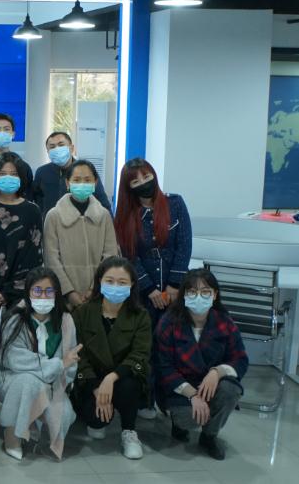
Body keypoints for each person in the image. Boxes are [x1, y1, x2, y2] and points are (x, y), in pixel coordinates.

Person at [114, 158, 193, 419]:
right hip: (143, 295)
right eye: (135, 181)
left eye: (146, 176)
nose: (143, 183)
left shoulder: (175, 203)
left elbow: (184, 246)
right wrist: (150, 289)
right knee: (144, 348)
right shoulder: (125, 215)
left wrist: (173, 286)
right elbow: (130, 255)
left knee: (173, 347)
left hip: (174, 292)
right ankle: (145, 399)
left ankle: (172, 398)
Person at [0, 268, 81, 461]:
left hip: (51, 383)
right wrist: (57, 365)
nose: (43, 296)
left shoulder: (66, 321)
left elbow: (70, 364)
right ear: (28, 293)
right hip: (7, 377)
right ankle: (12, 434)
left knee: (64, 414)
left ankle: (32, 423)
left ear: (56, 294)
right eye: (37, 291)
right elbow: (14, 360)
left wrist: (58, 372)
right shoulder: (16, 317)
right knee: (28, 382)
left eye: (49, 291)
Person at [155, 269, 248, 460]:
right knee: (189, 419)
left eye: (205, 292)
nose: (199, 297)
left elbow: (240, 359)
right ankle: (178, 423)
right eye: (192, 292)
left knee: (231, 390)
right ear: (183, 295)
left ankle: (209, 436)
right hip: (179, 388)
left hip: (211, 385)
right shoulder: (168, 323)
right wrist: (193, 395)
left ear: (215, 295)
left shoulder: (224, 322)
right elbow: (163, 367)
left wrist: (217, 372)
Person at [71, 257, 151, 460]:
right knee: (97, 420)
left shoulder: (140, 315)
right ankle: (98, 415)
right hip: (91, 380)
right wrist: (96, 387)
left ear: (132, 284)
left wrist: (111, 378)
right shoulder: (82, 313)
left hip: (122, 377)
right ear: (99, 281)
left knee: (131, 384)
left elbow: (139, 355)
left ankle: (129, 431)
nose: (115, 286)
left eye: (122, 282)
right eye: (109, 281)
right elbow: (78, 355)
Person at [0, 153, 44, 375]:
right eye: (3, 173)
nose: (8, 178)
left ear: (22, 178)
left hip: (18, 291)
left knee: (16, 348)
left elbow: (33, 254)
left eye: (13, 174)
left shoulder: (32, 210)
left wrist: (8, 291)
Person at [43, 160, 120, 308]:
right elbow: (51, 258)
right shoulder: (54, 216)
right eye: (77, 180)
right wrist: (69, 292)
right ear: (67, 183)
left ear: (95, 183)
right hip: (64, 298)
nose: (82, 184)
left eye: (87, 180)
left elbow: (110, 255)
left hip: (98, 295)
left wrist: (94, 288)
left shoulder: (104, 215)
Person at [32, 131, 111, 216]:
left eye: (61, 145)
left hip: (80, 222)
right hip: (51, 222)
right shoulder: (42, 172)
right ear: (48, 152)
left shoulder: (86, 170)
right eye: (52, 147)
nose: (57, 149)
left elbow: (103, 203)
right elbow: (37, 201)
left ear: (71, 148)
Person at [0, 113, 34, 199]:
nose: (2, 133)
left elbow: (27, 199)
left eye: (6, 129)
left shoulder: (24, 167)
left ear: (13, 134)